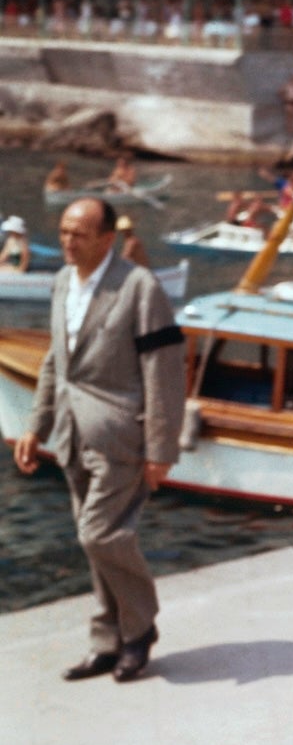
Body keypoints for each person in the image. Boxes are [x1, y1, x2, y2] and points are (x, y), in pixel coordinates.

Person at [12, 198, 186, 682]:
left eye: (79, 234)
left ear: (106, 239)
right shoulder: (64, 281)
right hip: (70, 434)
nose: (67, 242)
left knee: (100, 533)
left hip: (120, 437)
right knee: (96, 545)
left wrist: (160, 448)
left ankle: (140, 627)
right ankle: (108, 641)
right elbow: (55, 361)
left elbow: (164, 372)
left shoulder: (139, 287)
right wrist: (34, 425)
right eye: (64, 232)